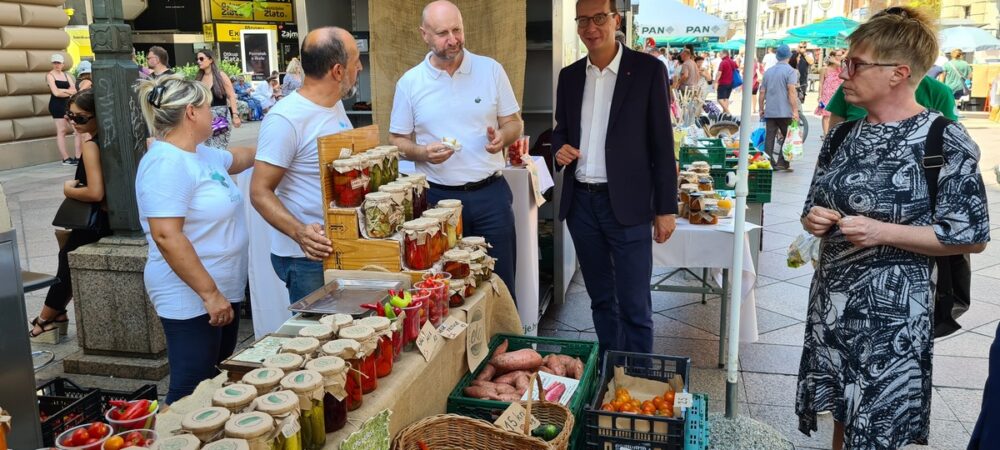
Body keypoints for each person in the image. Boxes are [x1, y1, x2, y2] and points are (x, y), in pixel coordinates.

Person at [797, 7, 990, 450]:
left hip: (893, 320)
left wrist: (884, 232)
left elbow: (971, 234)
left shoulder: (944, 139)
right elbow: (813, 207)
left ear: (898, 73)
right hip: (832, 306)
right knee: (843, 416)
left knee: (877, 427)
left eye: (856, 63)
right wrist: (815, 220)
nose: (842, 72)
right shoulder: (843, 136)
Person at [552, 0, 677, 355]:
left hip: (629, 204)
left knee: (635, 303)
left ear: (616, 20)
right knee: (601, 299)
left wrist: (666, 208)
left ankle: (637, 387)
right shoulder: (570, 76)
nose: (591, 28)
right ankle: (611, 372)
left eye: (599, 18)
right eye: (583, 20)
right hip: (582, 206)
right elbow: (561, 131)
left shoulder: (648, 71)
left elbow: (662, 144)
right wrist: (559, 150)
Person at [135, 74, 257, 404]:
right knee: (190, 388)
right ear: (191, 112)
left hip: (220, 287)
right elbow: (166, 235)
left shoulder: (201, 154)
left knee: (212, 381)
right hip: (191, 294)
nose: (212, 114)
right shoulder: (165, 164)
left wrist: (280, 144)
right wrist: (210, 293)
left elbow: (242, 157)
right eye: (207, 108)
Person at [389, 1, 522, 294]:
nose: (453, 39)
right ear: (424, 34)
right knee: (445, 287)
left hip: (491, 196)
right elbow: (397, 140)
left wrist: (503, 136)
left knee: (500, 283)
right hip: (437, 200)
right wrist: (423, 153)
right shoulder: (410, 83)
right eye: (442, 33)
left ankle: (505, 340)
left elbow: (514, 123)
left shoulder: (490, 70)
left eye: (457, 30)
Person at [251, 27, 360, 303]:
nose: (359, 67)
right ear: (337, 71)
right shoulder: (285, 119)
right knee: (317, 340)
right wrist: (300, 232)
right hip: (306, 259)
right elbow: (259, 192)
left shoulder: (333, 105)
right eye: (356, 61)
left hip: (337, 248)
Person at [29, 90, 111, 342]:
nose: (74, 122)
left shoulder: (91, 146)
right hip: (107, 221)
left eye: (81, 117)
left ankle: (44, 319)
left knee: (66, 264)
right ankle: (58, 315)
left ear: (100, 116)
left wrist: (69, 190)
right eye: (70, 116)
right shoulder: (108, 141)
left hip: (96, 223)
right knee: (66, 261)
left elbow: (96, 192)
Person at [758, 44, 798, 171]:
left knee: (769, 138)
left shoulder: (768, 72)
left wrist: (761, 109)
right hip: (785, 111)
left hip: (770, 110)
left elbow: (762, 92)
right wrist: (795, 110)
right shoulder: (791, 71)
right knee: (788, 137)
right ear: (789, 56)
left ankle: (768, 162)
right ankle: (783, 162)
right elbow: (791, 92)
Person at [195, 49, 241, 150]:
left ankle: (220, 165)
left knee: (218, 146)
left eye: (201, 58)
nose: (199, 61)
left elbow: (231, 96)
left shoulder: (220, 76)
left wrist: (235, 115)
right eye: (197, 59)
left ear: (211, 60)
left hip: (219, 116)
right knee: (205, 147)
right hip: (203, 116)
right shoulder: (199, 78)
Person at [47, 54, 78, 165]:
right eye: (55, 62)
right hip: (56, 105)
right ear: (52, 63)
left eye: (59, 63)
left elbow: (75, 90)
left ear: (63, 64)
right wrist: (68, 91)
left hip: (67, 104)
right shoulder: (50, 75)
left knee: (77, 129)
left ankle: (78, 156)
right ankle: (65, 158)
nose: (57, 65)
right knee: (62, 130)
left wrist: (63, 91)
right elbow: (56, 93)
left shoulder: (66, 75)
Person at [814, 53, 844, 138]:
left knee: (837, 115)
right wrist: (819, 95)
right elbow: (821, 83)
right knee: (826, 115)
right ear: (832, 57)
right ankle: (826, 135)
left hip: (838, 95)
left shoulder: (841, 68)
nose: (840, 57)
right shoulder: (825, 69)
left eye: (840, 55)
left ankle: (834, 134)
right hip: (826, 95)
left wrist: (836, 61)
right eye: (838, 55)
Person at [72, 61, 93, 158]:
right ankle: (86, 156)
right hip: (85, 109)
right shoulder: (88, 81)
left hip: (77, 110)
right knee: (86, 135)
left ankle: (78, 156)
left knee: (78, 134)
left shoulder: (77, 82)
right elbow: (80, 93)